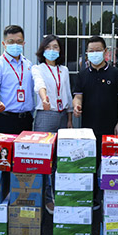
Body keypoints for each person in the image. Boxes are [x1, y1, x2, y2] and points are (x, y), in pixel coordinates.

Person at [31, 34, 74, 214]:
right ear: (43, 50)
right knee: (44, 159)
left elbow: (68, 94)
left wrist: (70, 119)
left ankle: (58, 195)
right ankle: (46, 198)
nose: (52, 50)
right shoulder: (37, 68)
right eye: (48, 47)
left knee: (58, 159)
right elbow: (39, 84)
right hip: (45, 115)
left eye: (55, 47)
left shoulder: (64, 70)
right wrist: (44, 98)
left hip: (62, 116)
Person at [0, 25, 45, 134]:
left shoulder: (28, 64)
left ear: (23, 43)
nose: (15, 45)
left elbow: (31, 92)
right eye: (11, 41)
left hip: (26, 120)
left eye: (19, 42)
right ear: (4, 44)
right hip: (5, 119)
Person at [73, 36, 118, 139]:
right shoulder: (82, 75)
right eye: (91, 51)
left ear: (105, 51)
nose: (94, 53)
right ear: (87, 53)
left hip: (111, 128)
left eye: (98, 50)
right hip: (88, 129)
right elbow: (78, 96)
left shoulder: (115, 73)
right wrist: (76, 106)